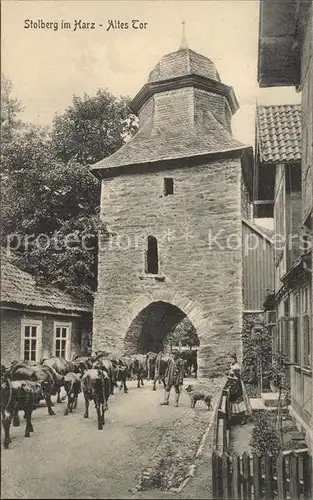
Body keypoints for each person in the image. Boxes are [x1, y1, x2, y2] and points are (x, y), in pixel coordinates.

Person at [226, 354, 252, 425]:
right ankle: (234, 418)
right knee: (232, 400)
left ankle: (243, 418)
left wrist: (232, 374)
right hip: (233, 385)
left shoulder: (237, 366)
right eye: (230, 359)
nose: (231, 360)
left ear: (235, 359)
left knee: (239, 400)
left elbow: (237, 376)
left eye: (232, 359)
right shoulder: (231, 365)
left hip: (237, 384)